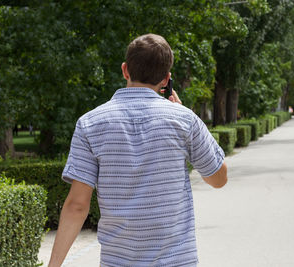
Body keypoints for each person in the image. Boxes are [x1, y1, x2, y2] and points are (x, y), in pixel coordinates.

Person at [48, 33, 227, 267]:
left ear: (125, 70)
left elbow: (77, 205)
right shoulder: (184, 120)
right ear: (166, 79)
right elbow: (218, 178)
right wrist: (186, 124)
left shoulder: (90, 124)